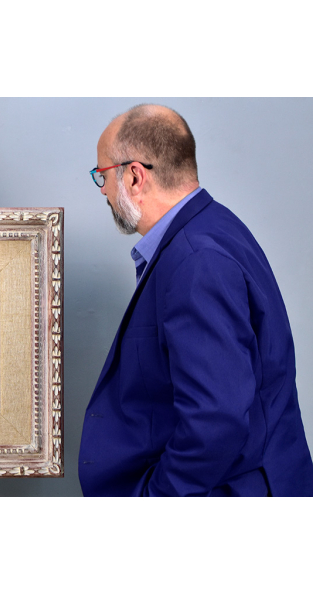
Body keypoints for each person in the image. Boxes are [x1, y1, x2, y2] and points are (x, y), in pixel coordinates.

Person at [79, 104, 313, 497]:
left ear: (134, 176)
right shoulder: (215, 227)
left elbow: (215, 420)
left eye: (102, 175)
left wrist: (159, 499)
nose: (103, 190)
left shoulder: (197, 261)